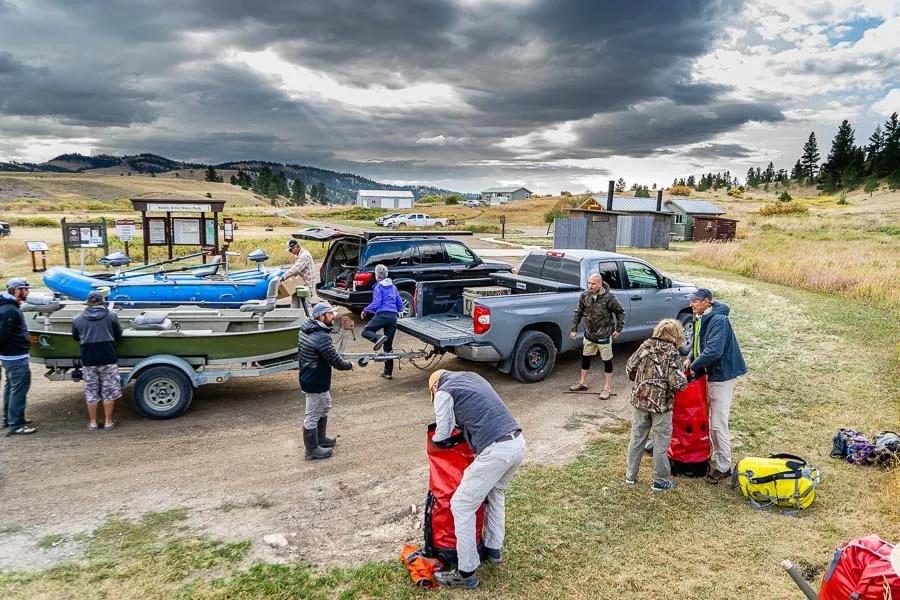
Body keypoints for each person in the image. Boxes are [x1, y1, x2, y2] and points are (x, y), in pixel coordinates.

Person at [429, 369, 526, 589]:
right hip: (517, 442)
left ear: (434, 387)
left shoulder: (444, 391)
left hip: (496, 450)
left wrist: (434, 440)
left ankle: (466, 572)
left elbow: (442, 433)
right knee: (495, 494)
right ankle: (493, 549)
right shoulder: (471, 377)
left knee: (461, 504)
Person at [682, 288, 748, 484]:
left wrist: (694, 366)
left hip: (721, 376)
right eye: (691, 301)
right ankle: (708, 454)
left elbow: (713, 351)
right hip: (708, 374)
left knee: (718, 423)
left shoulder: (719, 320)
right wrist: (690, 357)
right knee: (706, 419)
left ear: (706, 302)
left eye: (695, 301)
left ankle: (724, 466)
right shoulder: (700, 316)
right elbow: (698, 343)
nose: (691, 304)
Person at [624, 319, 689, 491]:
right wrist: (685, 378)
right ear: (676, 335)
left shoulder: (645, 346)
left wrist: (640, 382)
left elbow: (629, 367)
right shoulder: (672, 353)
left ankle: (630, 476)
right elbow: (678, 384)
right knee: (661, 443)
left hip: (640, 400)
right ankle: (660, 481)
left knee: (636, 439)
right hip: (662, 405)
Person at [297, 302, 353, 460]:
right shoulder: (321, 337)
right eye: (330, 314)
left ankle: (321, 439)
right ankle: (312, 450)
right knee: (312, 414)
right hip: (315, 380)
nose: (333, 316)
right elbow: (335, 360)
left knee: (325, 405)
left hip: (313, 377)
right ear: (321, 317)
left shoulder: (307, 328)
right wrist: (349, 365)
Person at [72, 291, 123, 431]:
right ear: (102, 302)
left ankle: (93, 423)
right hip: (108, 357)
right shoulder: (111, 316)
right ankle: (108, 422)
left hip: (89, 359)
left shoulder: (77, 319)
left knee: (91, 392)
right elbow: (119, 334)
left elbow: (75, 337)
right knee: (109, 391)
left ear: (88, 302)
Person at [569, 273, 626, 399]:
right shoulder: (585, 295)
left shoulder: (609, 297)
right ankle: (583, 382)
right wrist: (574, 329)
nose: (590, 286)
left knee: (607, 361)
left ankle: (607, 388)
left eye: (593, 283)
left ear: (600, 283)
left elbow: (620, 312)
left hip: (604, 335)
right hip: (589, 334)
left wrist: (618, 329)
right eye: (589, 283)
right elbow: (578, 312)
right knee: (585, 358)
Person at [1, 278, 37, 436]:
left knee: (12, 387)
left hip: (12, 356)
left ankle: (9, 419)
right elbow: (2, 335)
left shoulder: (10, 307)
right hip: (14, 357)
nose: (27, 292)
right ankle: (16, 424)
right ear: (16, 290)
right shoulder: (9, 310)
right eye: (24, 289)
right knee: (19, 389)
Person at [360, 264, 404, 380]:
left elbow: (376, 304)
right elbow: (400, 304)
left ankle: (378, 338)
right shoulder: (393, 287)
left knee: (366, 331)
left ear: (377, 275)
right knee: (388, 347)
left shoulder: (378, 287)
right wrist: (397, 311)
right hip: (393, 317)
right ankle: (388, 373)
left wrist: (365, 310)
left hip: (382, 315)